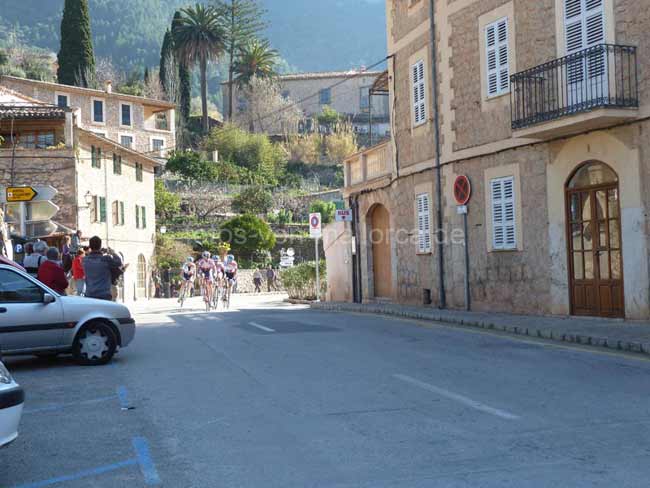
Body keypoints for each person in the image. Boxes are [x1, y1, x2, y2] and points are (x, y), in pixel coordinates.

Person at [83, 236, 123, 301]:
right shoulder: (106, 259)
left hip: (89, 295)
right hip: (103, 296)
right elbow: (119, 262)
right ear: (100, 246)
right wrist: (112, 252)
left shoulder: (85, 260)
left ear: (90, 246)